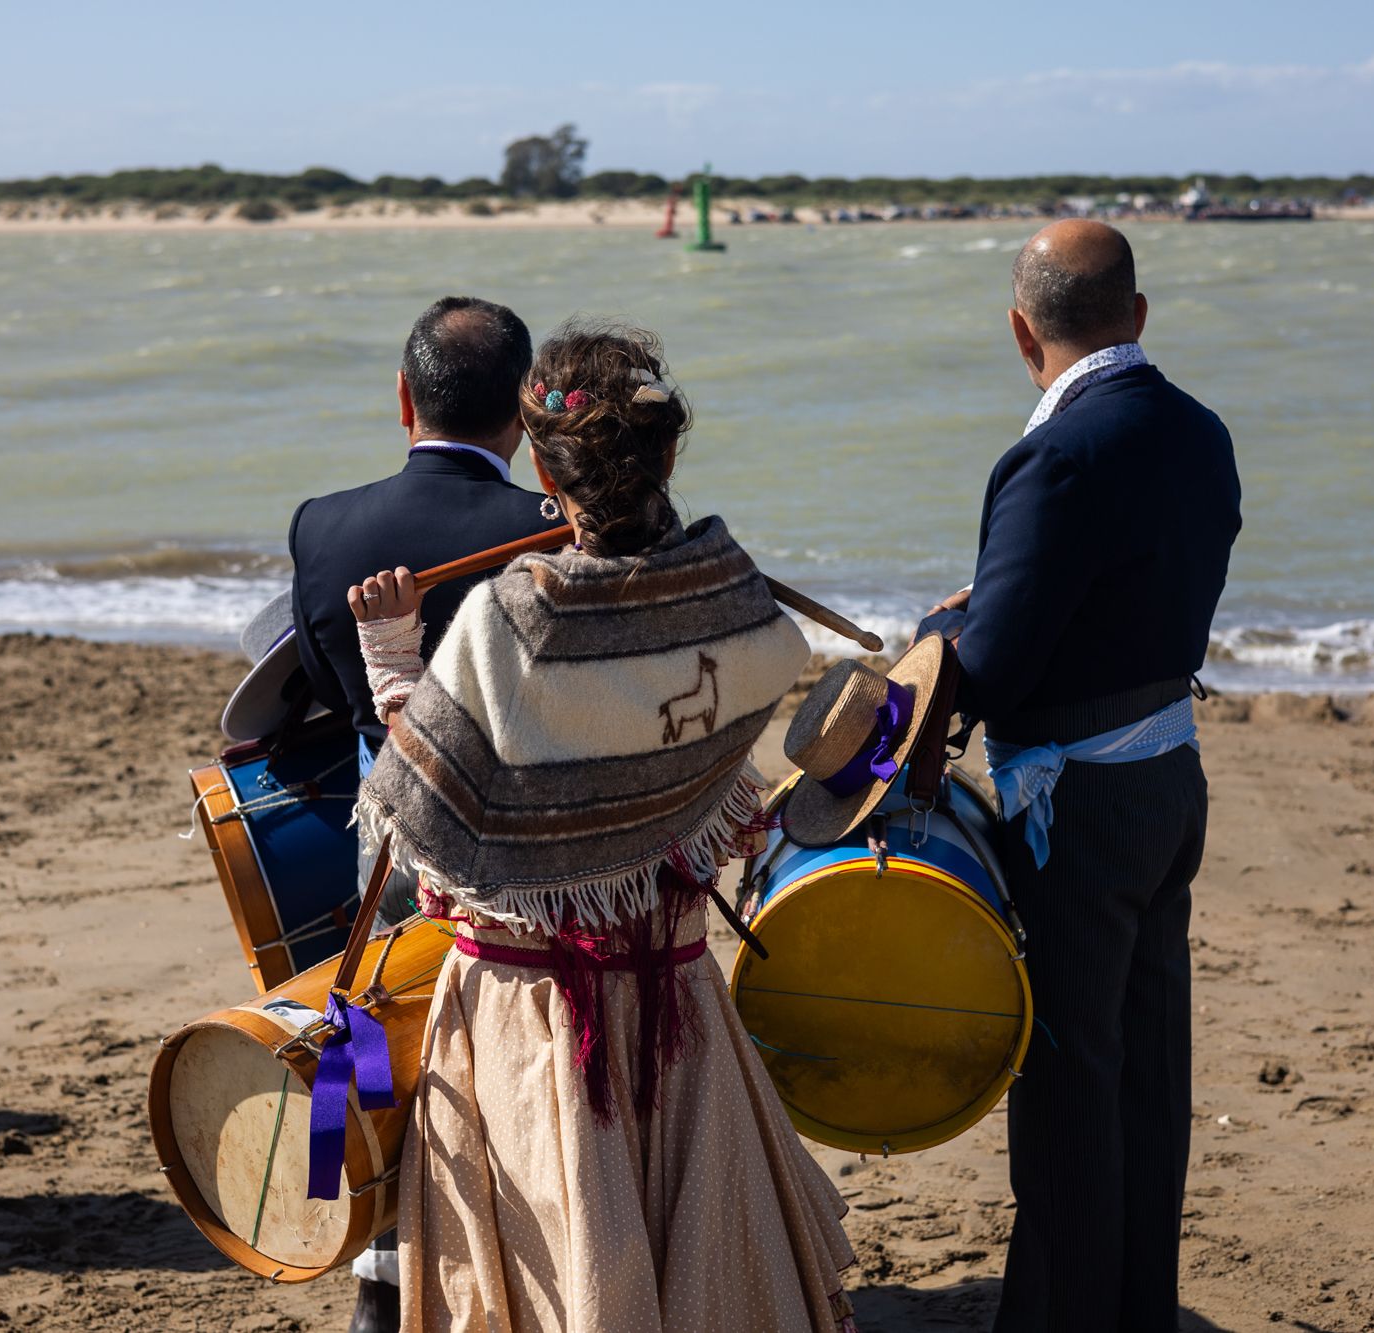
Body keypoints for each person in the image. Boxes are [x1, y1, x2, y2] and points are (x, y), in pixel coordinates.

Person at [348, 320, 858, 1332]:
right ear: (667, 453)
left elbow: (422, 802)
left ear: (544, 463)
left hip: (535, 1012)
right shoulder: (731, 600)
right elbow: (719, 731)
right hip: (671, 990)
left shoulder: (510, 619)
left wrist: (389, 658)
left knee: (569, 1264)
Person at [923, 220, 1242, 1331]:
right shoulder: (1199, 429)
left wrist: (935, 631)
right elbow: (1134, 592)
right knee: (1149, 1070)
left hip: (1079, 810)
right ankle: (1135, 1307)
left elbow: (999, 672)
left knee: (1067, 1080)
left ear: (1021, 331)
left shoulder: (1053, 454)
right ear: (1138, 316)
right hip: (1166, 780)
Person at [236, 294, 560, 1333]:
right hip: (523, 857)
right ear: (523, 411)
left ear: (402, 399)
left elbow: (316, 695)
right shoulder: (553, 532)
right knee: (511, 1069)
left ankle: (379, 1278)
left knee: (379, 1043)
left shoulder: (323, 525)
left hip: (386, 841)